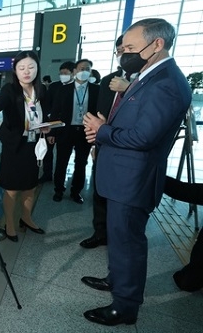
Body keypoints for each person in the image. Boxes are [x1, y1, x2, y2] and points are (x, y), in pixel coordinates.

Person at [81, 18, 192, 326]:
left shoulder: (167, 83)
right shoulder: (149, 75)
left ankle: (125, 306)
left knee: (128, 243)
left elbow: (144, 137)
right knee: (119, 238)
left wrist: (103, 131)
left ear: (157, 44)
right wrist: (105, 129)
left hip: (133, 180)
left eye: (130, 48)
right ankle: (117, 281)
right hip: (122, 176)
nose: (125, 54)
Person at [0, 51, 49, 242]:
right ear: (15, 70)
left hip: (34, 146)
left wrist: (47, 126)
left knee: (30, 187)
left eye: (31, 67)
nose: (26, 72)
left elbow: (45, 114)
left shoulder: (41, 90)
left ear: (37, 68)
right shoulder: (10, 90)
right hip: (15, 147)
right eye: (21, 68)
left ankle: (26, 217)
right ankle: (10, 223)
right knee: (12, 189)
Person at [80, 36, 130, 249]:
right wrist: (94, 143)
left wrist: (128, 89)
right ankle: (100, 231)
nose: (123, 54)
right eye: (119, 50)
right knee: (100, 189)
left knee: (122, 196)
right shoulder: (108, 80)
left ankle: (119, 238)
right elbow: (100, 113)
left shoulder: (145, 82)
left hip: (128, 147)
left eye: (129, 49)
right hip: (103, 143)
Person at [49, 59, 99, 204]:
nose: (84, 71)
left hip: (86, 131)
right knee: (61, 162)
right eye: (81, 68)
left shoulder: (97, 90)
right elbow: (55, 112)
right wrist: (52, 132)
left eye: (87, 69)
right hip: (66, 130)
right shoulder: (63, 89)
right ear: (75, 71)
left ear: (90, 72)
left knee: (81, 163)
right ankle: (59, 190)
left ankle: (76, 192)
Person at [40, 61, 75, 183]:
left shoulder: (76, 88)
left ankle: (59, 180)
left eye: (65, 73)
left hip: (67, 128)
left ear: (73, 73)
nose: (62, 75)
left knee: (62, 156)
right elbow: (47, 104)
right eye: (61, 73)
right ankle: (47, 174)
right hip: (51, 124)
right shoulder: (54, 86)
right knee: (47, 152)